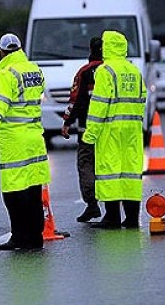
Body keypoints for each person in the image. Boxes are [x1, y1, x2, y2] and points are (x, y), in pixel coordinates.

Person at [0, 33, 51, 251]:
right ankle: (35, 238)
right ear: (19, 48)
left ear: (1, 52)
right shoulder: (34, 70)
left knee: (14, 193)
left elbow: (0, 108)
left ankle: (19, 237)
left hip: (14, 141)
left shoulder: (5, 74)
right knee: (34, 190)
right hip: (35, 138)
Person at [82, 31, 146, 229]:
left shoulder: (105, 71)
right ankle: (132, 217)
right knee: (130, 173)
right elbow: (142, 98)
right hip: (133, 130)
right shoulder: (133, 70)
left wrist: (90, 134)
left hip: (110, 129)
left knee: (110, 172)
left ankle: (112, 217)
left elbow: (99, 105)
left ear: (107, 47)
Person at [61, 36, 103, 223]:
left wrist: (67, 122)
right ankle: (114, 207)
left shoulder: (84, 72)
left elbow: (75, 99)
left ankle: (92, 204)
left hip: (87, 129)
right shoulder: (113, 71)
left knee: (86, 164)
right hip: (111, 129)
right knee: (109, 166)